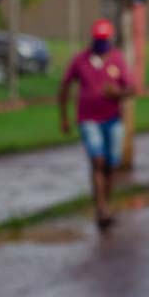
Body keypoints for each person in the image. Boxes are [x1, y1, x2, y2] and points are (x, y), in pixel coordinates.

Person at [58, 19, 135, 230]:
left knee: (110, 165)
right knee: (97, 161)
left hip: (113, 120)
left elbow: (132, 88)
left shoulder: (117, 59)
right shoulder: (81, 60)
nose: (101, 43)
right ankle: (101, 209)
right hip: (88, 119)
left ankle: (105, 204)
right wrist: (64, 117)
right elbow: (65, 86)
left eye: (104, 39)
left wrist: (117, 93)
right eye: (98, 39)